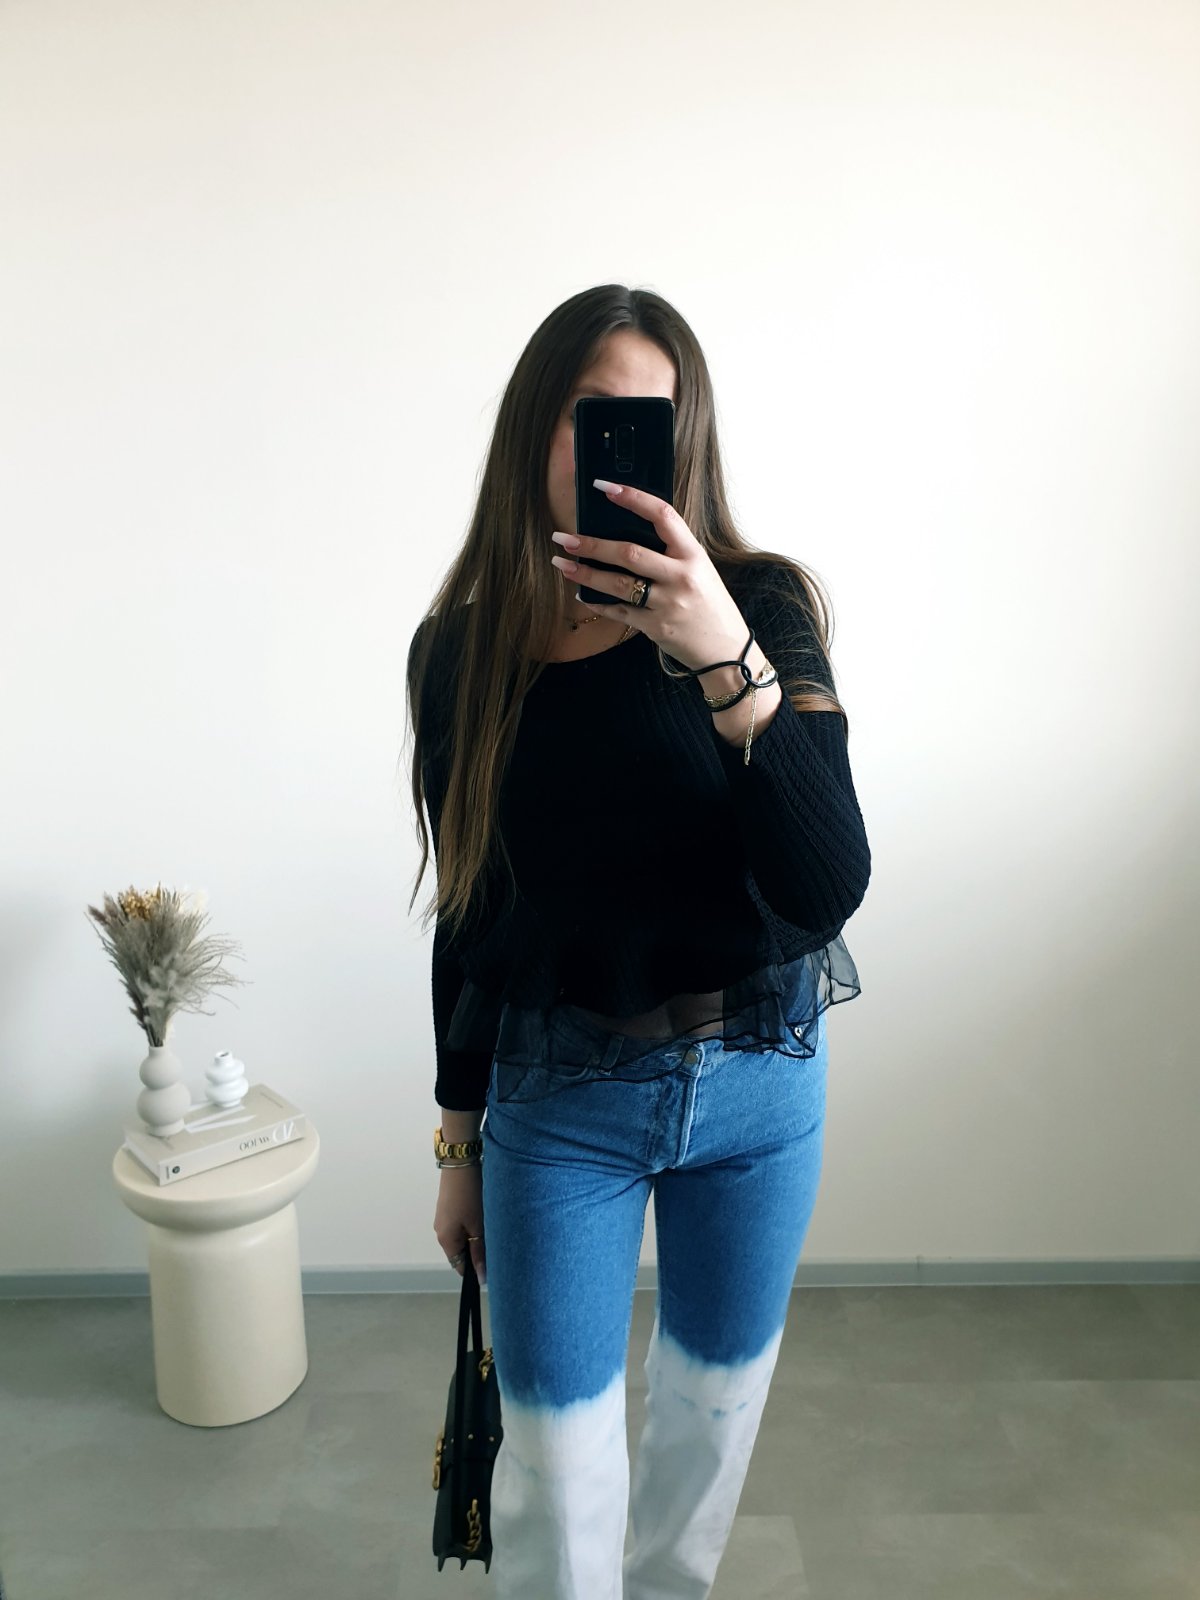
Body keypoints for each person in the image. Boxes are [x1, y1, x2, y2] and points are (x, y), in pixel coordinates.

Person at [405, 284, 871, 1599]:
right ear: (534, 432)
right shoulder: (459, 654)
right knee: (558, 1480)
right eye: (589, 414)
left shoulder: (762, 606)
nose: (615, 447)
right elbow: (469, 915)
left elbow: (827, 881)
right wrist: (456, 1142)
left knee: (704, 1447)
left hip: (761, 1096)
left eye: (647, 422)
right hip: (559, 1112)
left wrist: (723, 659)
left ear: (685, 441)